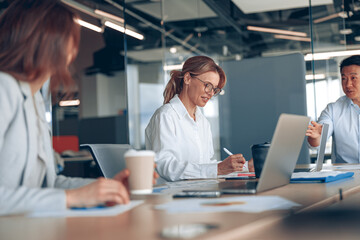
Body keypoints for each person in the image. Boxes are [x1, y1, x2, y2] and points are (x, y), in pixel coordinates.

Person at [0, 0, 156, 216]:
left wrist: (108, 188)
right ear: (49, 41)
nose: (74, 50)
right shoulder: (4, 88)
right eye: (71, 40)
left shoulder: (35, 101)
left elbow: (50, 185)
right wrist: (72, 198)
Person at [145, 56, 251, 182]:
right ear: (188, 78)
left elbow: (205, 165)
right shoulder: (165, 116)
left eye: (215, 89)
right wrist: (217, 169)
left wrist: (245, 167)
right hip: (173, 196)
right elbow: (165, 166)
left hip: (201, 193)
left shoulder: (203, 122)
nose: (211, 93)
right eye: (207, 85)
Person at [307, 55, 360, 163]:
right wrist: (316, 136)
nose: (348, 84)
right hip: (346, 175)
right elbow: (317, 142)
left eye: (353, 78)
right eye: (344, 78)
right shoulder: (332, 109)